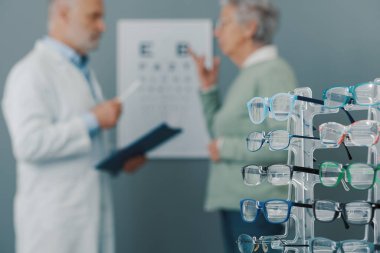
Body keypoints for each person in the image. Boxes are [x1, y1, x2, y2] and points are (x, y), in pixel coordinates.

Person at [2, 0, 145, 252]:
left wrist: (116, 160)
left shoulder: (81, 71)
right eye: (93, 17)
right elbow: (28, 144)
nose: (102, 26)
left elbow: (80, 147)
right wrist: (93, 120)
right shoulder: (31, 72)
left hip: (85, 217)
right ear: (63, 14)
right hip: (53, 228)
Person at [191, 0, 297, 252]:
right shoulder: (251, 74)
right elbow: (219, 133)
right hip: (240, 205)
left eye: (224, 23)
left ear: (250, 27)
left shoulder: (273, 72)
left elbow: (285, 142)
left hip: (259, 207)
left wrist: (227, 148)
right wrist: (208, 90)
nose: (217, 32)